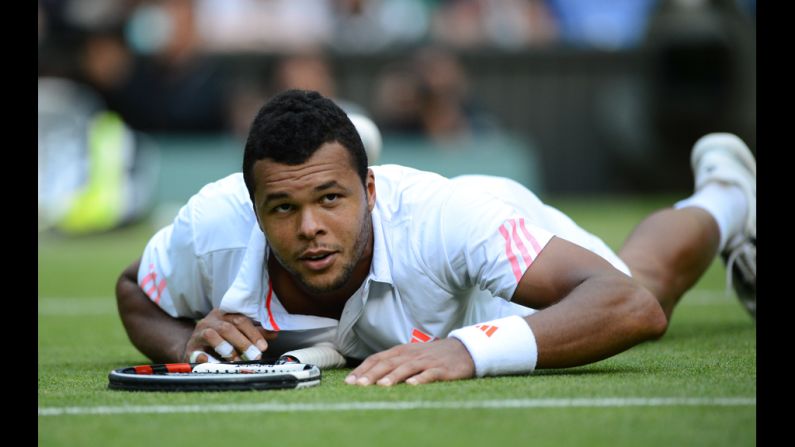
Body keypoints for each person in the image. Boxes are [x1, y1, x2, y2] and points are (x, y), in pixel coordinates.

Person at [115, 89, 755, 386]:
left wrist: (469, 352)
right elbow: (132, 290)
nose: (308, 227)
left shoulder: (446, 217)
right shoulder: (213, 224)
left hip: (481, 260)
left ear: (368, 191)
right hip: (426, 235)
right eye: (283, 208)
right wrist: (185, 342)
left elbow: (627, 306)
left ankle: (727, 194)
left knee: (647, 280)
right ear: (254, 211)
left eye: (330, 198)